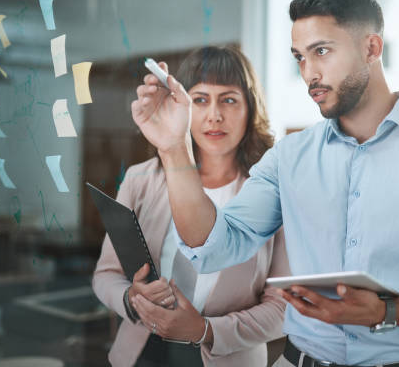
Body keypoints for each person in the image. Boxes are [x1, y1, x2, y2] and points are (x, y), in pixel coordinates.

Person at [131, 0, 399, 367]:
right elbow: (213, 246)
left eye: (322, 51)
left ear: (371, 48)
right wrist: (173, 147)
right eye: (299, 57)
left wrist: (387, 311)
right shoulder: (289, 156)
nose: (308, 73)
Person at [93, 46, 289, 367]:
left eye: (228, 99)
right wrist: (130, 298)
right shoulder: (141, 179)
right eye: (200, 100)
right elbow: (106, 274)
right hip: (142, 354)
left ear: (250, 109)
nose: (214, 115)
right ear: (180, 105)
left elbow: (283, 307)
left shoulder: (272, 193)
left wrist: (206, 330)